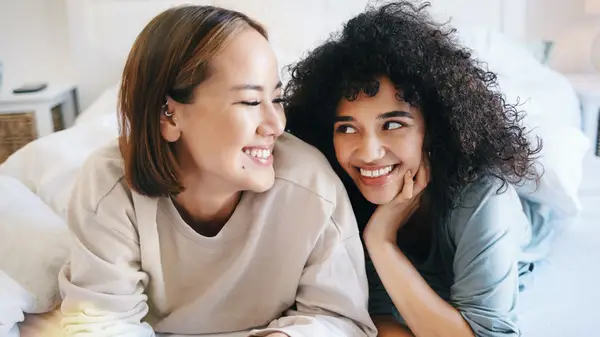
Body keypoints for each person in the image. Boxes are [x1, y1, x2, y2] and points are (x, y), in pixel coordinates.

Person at [58, 5, 377, 337]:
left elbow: (341, 318)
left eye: (278, 100)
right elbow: (101, 323)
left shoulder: (311, 187)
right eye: (251, 102)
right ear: (169, 115)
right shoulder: (110, 185)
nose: (276, 125)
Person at [284, 2, 553, 336]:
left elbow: (487, 333)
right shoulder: (339, 191)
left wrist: (381, 243)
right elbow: (374, 320)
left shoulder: (482, 196)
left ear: (434, 128)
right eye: (348, 128)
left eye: (393, 124)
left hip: (529, 224)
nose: (368, 153)